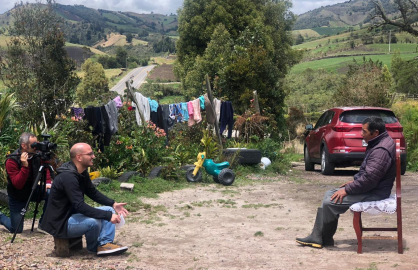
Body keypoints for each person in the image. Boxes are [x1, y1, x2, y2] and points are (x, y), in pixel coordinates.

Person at [296, 117, 396, 248]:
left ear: (375, 132)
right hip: (373, 187)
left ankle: (322, 239)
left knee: (329, 202)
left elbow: (370, 179)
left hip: (376, 192)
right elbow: (369, 174)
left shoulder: (380, 150)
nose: (361, 134)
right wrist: (355, 181)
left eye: (364, 131)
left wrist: (348, 189)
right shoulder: (380, 142)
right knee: (329, 194)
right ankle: (319, 237)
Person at [40, 143, 129, 256]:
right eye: (90, 154)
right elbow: (80, 206)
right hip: (61, 222)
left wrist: (112, 203)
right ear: (79, 157)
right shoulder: (68, 177)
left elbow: (92, 192)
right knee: (94, 222)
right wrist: (107, 216)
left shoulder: (81, 172)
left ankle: (105, 244)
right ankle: (94, 248)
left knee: (109, 210)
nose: (93, 156)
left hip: (72, 215)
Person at [0, 132, 52, 233]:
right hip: (17, 196)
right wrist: (25, 166)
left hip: (32, 191)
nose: (36, 147)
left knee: (53, 192)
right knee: (16, 230)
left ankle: (43, 223)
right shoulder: (12, 160)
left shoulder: (37, 155)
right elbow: (18, 184)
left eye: (37, 143)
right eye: (34, 144)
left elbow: (46, 169)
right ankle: (1, 216)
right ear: (23, 145)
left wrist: (48, 182)